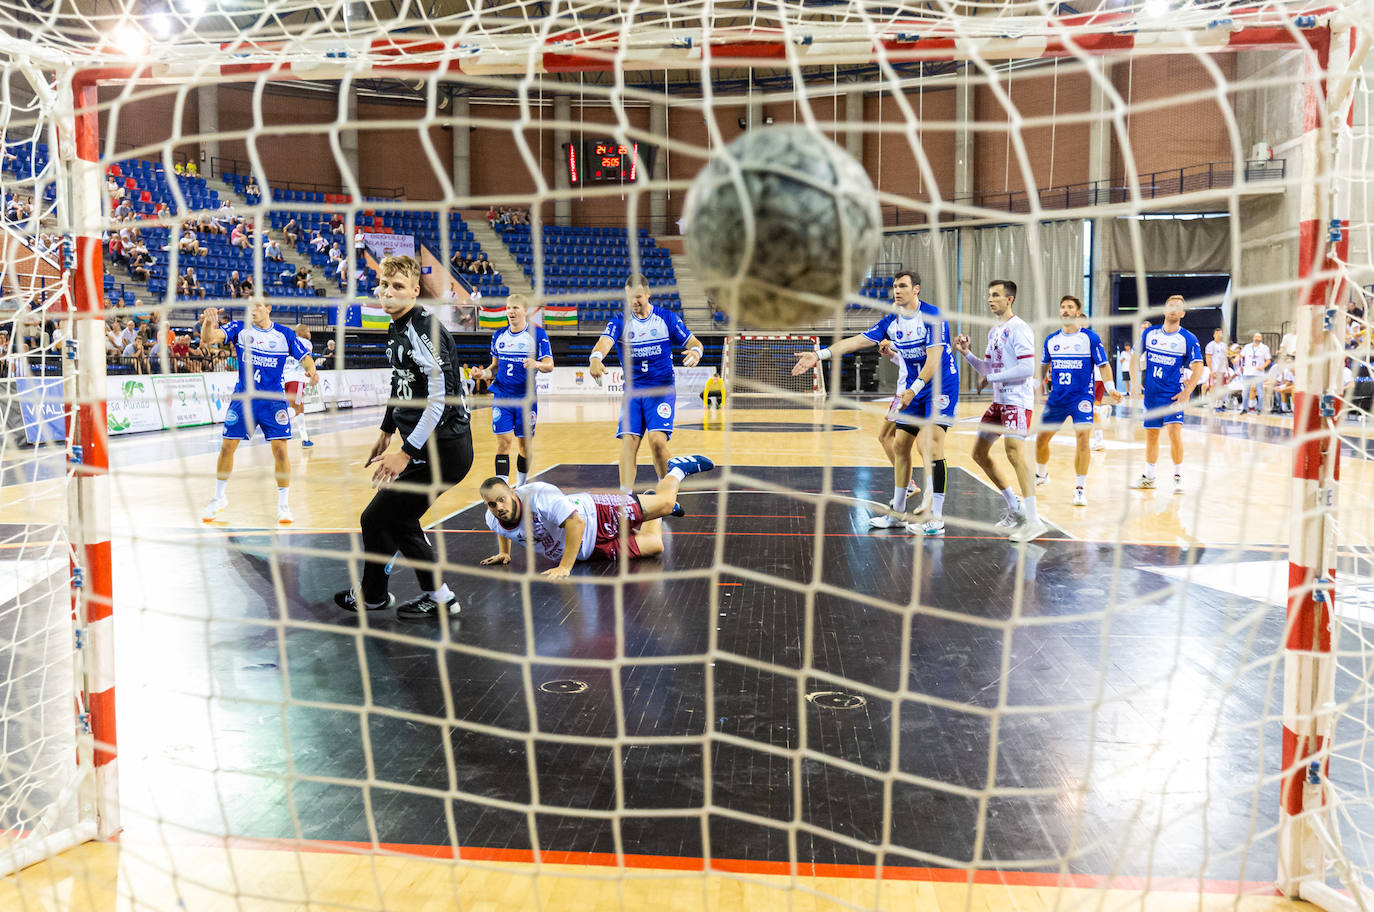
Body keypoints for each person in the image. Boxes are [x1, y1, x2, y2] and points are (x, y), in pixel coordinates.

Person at [333, 255, 474, 619]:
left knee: (383, 517)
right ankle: (394, 595)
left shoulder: (425, 328)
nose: (389, 292)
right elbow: (401, 381)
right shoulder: (397, 325)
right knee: (388, 518)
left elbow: (440, 401)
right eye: (384, 284)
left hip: (444, 449)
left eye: (398, 286)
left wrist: (406, 453)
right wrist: (386, 429)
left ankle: (408, 596)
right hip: (427, 446)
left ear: (415, 290)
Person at [794, 270, 957, 534]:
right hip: (912, 388)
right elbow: (856, 341)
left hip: (940, 384)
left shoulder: (933, 316)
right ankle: (897, 514)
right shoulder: (891, 322)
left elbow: (934, 359)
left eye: (903, 286)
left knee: (930, 445)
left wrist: (914, 389)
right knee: (901, 445)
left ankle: (935, 519)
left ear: (916, 289)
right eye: (895, 286)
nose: (897, 290)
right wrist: (818, 355)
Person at [479, 455, 715, 578]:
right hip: (590, 551)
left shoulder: (538, 495)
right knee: (655, 546)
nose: (499, 507)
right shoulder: (493, 518)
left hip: (596, 513)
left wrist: (564, 568)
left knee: (666, 503)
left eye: (502, 499)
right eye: (492, 504)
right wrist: (504, 552)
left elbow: (576, 522)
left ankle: (677, 469)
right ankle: (649, 504)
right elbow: (503, 528)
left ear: (512, 492)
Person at [197, 302, 317, 525]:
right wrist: (207, 321)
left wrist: (311, 369)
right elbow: (209, 338)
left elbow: (304, 357)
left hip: (273, 402)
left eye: (258, 306)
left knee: (280, 450)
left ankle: (283, 506)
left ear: (268, 308)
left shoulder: (285, 334)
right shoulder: (240, 328)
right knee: (227, 446)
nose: (252, 309)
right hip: (244, 398)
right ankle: (219, 497)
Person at [588, 274, 703, 493]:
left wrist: (696, 353)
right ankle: (625, 499)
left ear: (648, 294)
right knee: (628, 444)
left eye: (639, 296)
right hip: (633, 393)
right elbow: (604, 342)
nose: (634, 301)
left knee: (657, 442)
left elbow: (694, 342)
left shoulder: (666, 318)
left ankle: (667, 492)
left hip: (661, 390)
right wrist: (595, 358)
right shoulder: (620, 321)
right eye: (630, 297)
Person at [952, 279, 1043, 542]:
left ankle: (1034, 520)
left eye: (995, 295)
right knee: (979, 453)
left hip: (1016, 400)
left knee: (1015, 452)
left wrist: (992, 379)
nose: (990, 299)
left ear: (1009, 299)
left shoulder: (1019, 329)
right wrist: (967, 354)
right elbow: (988, 370)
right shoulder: (994, 332)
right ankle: (1014, 508)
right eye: (989, 295)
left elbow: (1027, 369)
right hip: (999, 401)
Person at [1033, 295, 1122, 508]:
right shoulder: (1051, 340)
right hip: (1057, 399)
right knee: (1041, 439)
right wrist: (1033, 388)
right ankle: (1041, 475)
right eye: (1062, 307)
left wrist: (1111, 389)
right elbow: (1043, 367)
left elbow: (1104, 365)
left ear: (1077, 313)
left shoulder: (1090, 338)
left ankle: (1080, 488)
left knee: (1083, 438)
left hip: (1082, 397)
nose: (1065, 310)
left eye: (1069, 307)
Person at [471, 294, 552, 486]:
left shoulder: (537, 334)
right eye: (508, 308)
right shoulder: (498, 335)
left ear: (525, 311)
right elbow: (495, 367)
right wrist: (481, 374)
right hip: (502, 396)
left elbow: (549, 364)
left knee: (524, 447)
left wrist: (537, 363)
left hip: (526, 399)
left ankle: (522, 486)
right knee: (503, 444)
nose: (510, 311)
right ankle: (502, 487)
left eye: (515, 308)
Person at [1130, 295, 1203, 493]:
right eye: (1170, 305)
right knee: (1151, 436)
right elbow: (1134, 356)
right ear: (1164, 310)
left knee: (1174, 433)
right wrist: (1135, 382)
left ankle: (1178, 477)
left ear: (1182, 313)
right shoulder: (1150, 333)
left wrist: (1187, 392)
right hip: (1152, 395)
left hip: (1173, 395)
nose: (1173, 309)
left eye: (1177, 307)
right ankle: (1149, 476)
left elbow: (1198, 366)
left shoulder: (1187, 338)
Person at [283, 323, 316, 449]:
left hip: (285, 379)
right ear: (302, 331)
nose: (310, 333)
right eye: (308, 330)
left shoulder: (290, 341)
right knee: (295, 409)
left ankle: (305, 439)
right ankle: (276, 424)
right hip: (296, 379)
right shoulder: (306, 343)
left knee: (300, 408)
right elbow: (307, 361)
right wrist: (313, 374)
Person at [1239, 331, 1272, 414]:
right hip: (1248, 372)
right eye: (1256, 337)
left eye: (1259, 337)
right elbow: (1241, 356)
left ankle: (1260, 409)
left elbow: (1268, 360)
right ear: (1253, 338)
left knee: (1260, 391)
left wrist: (1262, 367)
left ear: (1261, 339)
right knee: (1245, 391)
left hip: (1259, 373)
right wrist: (1235, 360)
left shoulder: (1265, 348)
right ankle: (1244, 409)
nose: (1257, 338)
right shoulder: (1247, 347)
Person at [1205, 327, 1229, 411]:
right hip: (1215, 370)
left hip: (1222, 370)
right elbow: (1208, 358)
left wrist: (1227, 370)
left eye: (1220, 333)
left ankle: (1219, 405)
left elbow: (1225, 358)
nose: (1219, 335)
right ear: (1214, 335)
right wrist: (1211, 370)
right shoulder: (1210, 345)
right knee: (1213, 387)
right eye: (1217, 333)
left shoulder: (1224, 345)